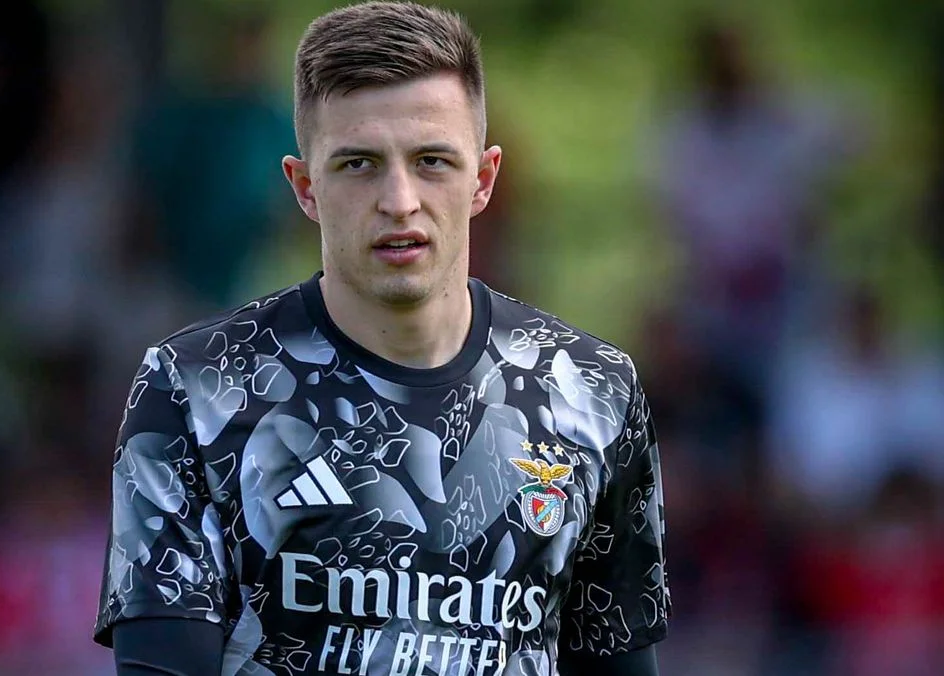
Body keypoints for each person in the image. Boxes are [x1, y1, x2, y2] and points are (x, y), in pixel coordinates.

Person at [93, 3, 670, 675]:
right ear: (305, 187)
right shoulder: (196, 389)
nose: (399, 201)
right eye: (359, 164)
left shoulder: (592, 394)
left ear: (483, 180)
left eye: (432, 161)